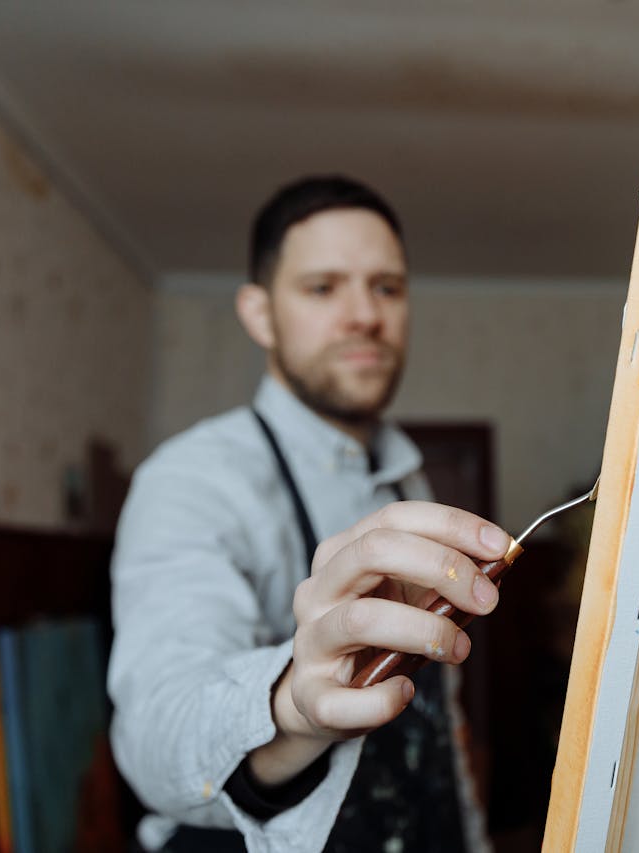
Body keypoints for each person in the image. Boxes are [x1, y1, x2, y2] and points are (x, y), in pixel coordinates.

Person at [108, 176, 504, 853]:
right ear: (260, 313)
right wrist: (291, 706)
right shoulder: (192, 478)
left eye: (387, 287)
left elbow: (441, 727)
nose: (365, 316)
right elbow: (155, 727)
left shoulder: (410, 479)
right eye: (323, 288)